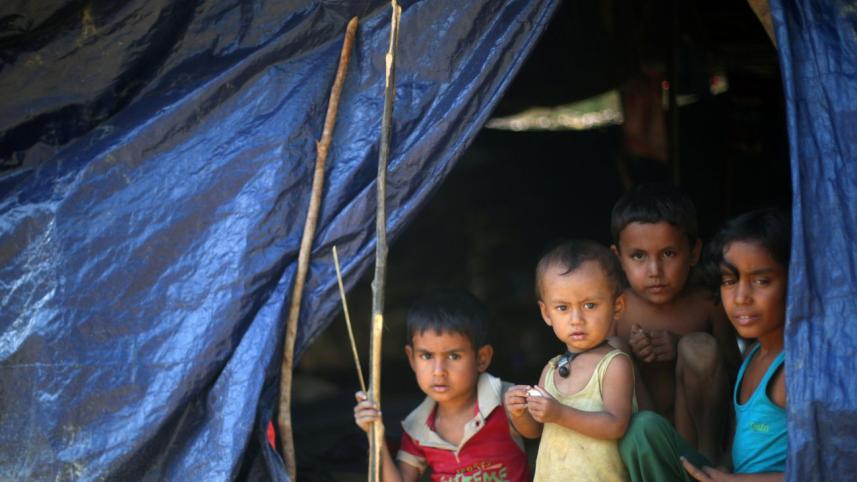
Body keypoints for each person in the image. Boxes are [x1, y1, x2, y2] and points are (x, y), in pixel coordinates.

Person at [619, 207, 789, 482]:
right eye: (729, 281)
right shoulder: (756, 356)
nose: (742, 297)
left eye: (761, 281)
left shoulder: (796, 371)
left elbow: (831, 468)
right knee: (642, 429)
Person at [610, 183, 741, 462]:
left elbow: (736, 376)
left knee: (700, 345)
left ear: (694, 252)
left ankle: (705, 465)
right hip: (644, 444)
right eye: (638, 256)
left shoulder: (708, 303)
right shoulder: (616, 308)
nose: (655, 271)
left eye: (669, 253)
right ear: (618, 258)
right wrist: (630, 357)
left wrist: (683, 347)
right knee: (612, 349)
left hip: (696, 440)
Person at [353, 289, 530, 482]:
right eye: (426, 356)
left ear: (482, 358)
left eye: (454, 356)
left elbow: (535, 431)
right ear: (412, 359)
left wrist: (521, 412)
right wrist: (375, 437)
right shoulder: (417, 428)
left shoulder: (503, 399)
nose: (438, 371)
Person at [505, 239, 636, 481]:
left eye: (589, 305)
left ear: (617, 307)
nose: (577, 319)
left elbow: (616, 424)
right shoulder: (552, 369)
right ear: (546, 313)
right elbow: (535, 430)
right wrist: (519, 414)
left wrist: (558, 413)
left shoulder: (614, 364)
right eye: (563, 308)